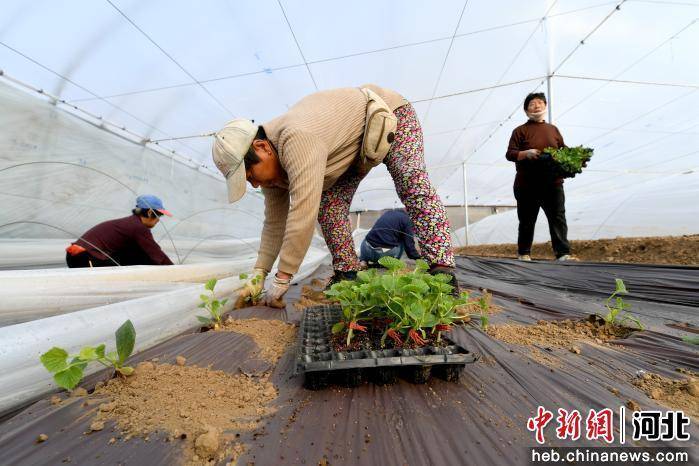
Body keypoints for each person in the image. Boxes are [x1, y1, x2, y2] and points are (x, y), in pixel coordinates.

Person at [212, 84, 457, 307]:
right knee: (329, 205)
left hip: (388, 115)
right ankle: (347, 273)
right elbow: (275, 223)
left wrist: (282, 277)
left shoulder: (297, 138)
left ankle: (442, 271)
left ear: (262, 147)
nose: (255, 185)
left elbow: (302, 213)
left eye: (250, 175)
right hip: (351, 149)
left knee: (411, 181)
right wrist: (260, 273)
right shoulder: (272, 171)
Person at [506, 92, 572, 262]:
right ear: (526, 109)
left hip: (553, 183)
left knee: (558, 218)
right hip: (527, 184)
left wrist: (574, 159)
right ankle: (524, 253)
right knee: (527, 220)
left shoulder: (553, 129)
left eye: (540, 103)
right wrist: (525, 153)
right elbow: (510, 154)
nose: (536, 106)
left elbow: (563, 150)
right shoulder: (520, 131)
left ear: (545, 106)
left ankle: (563, 253)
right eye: (532, 104)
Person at [65, 195, 174, 267]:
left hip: (77, 258)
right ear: (150, 212)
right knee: (144, 257)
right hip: (85, 258)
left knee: (137, 252)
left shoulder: (131, 223)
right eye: (159, 215)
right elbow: (155, 253)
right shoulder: (138, 227)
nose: (159, 220)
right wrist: (174, 270)